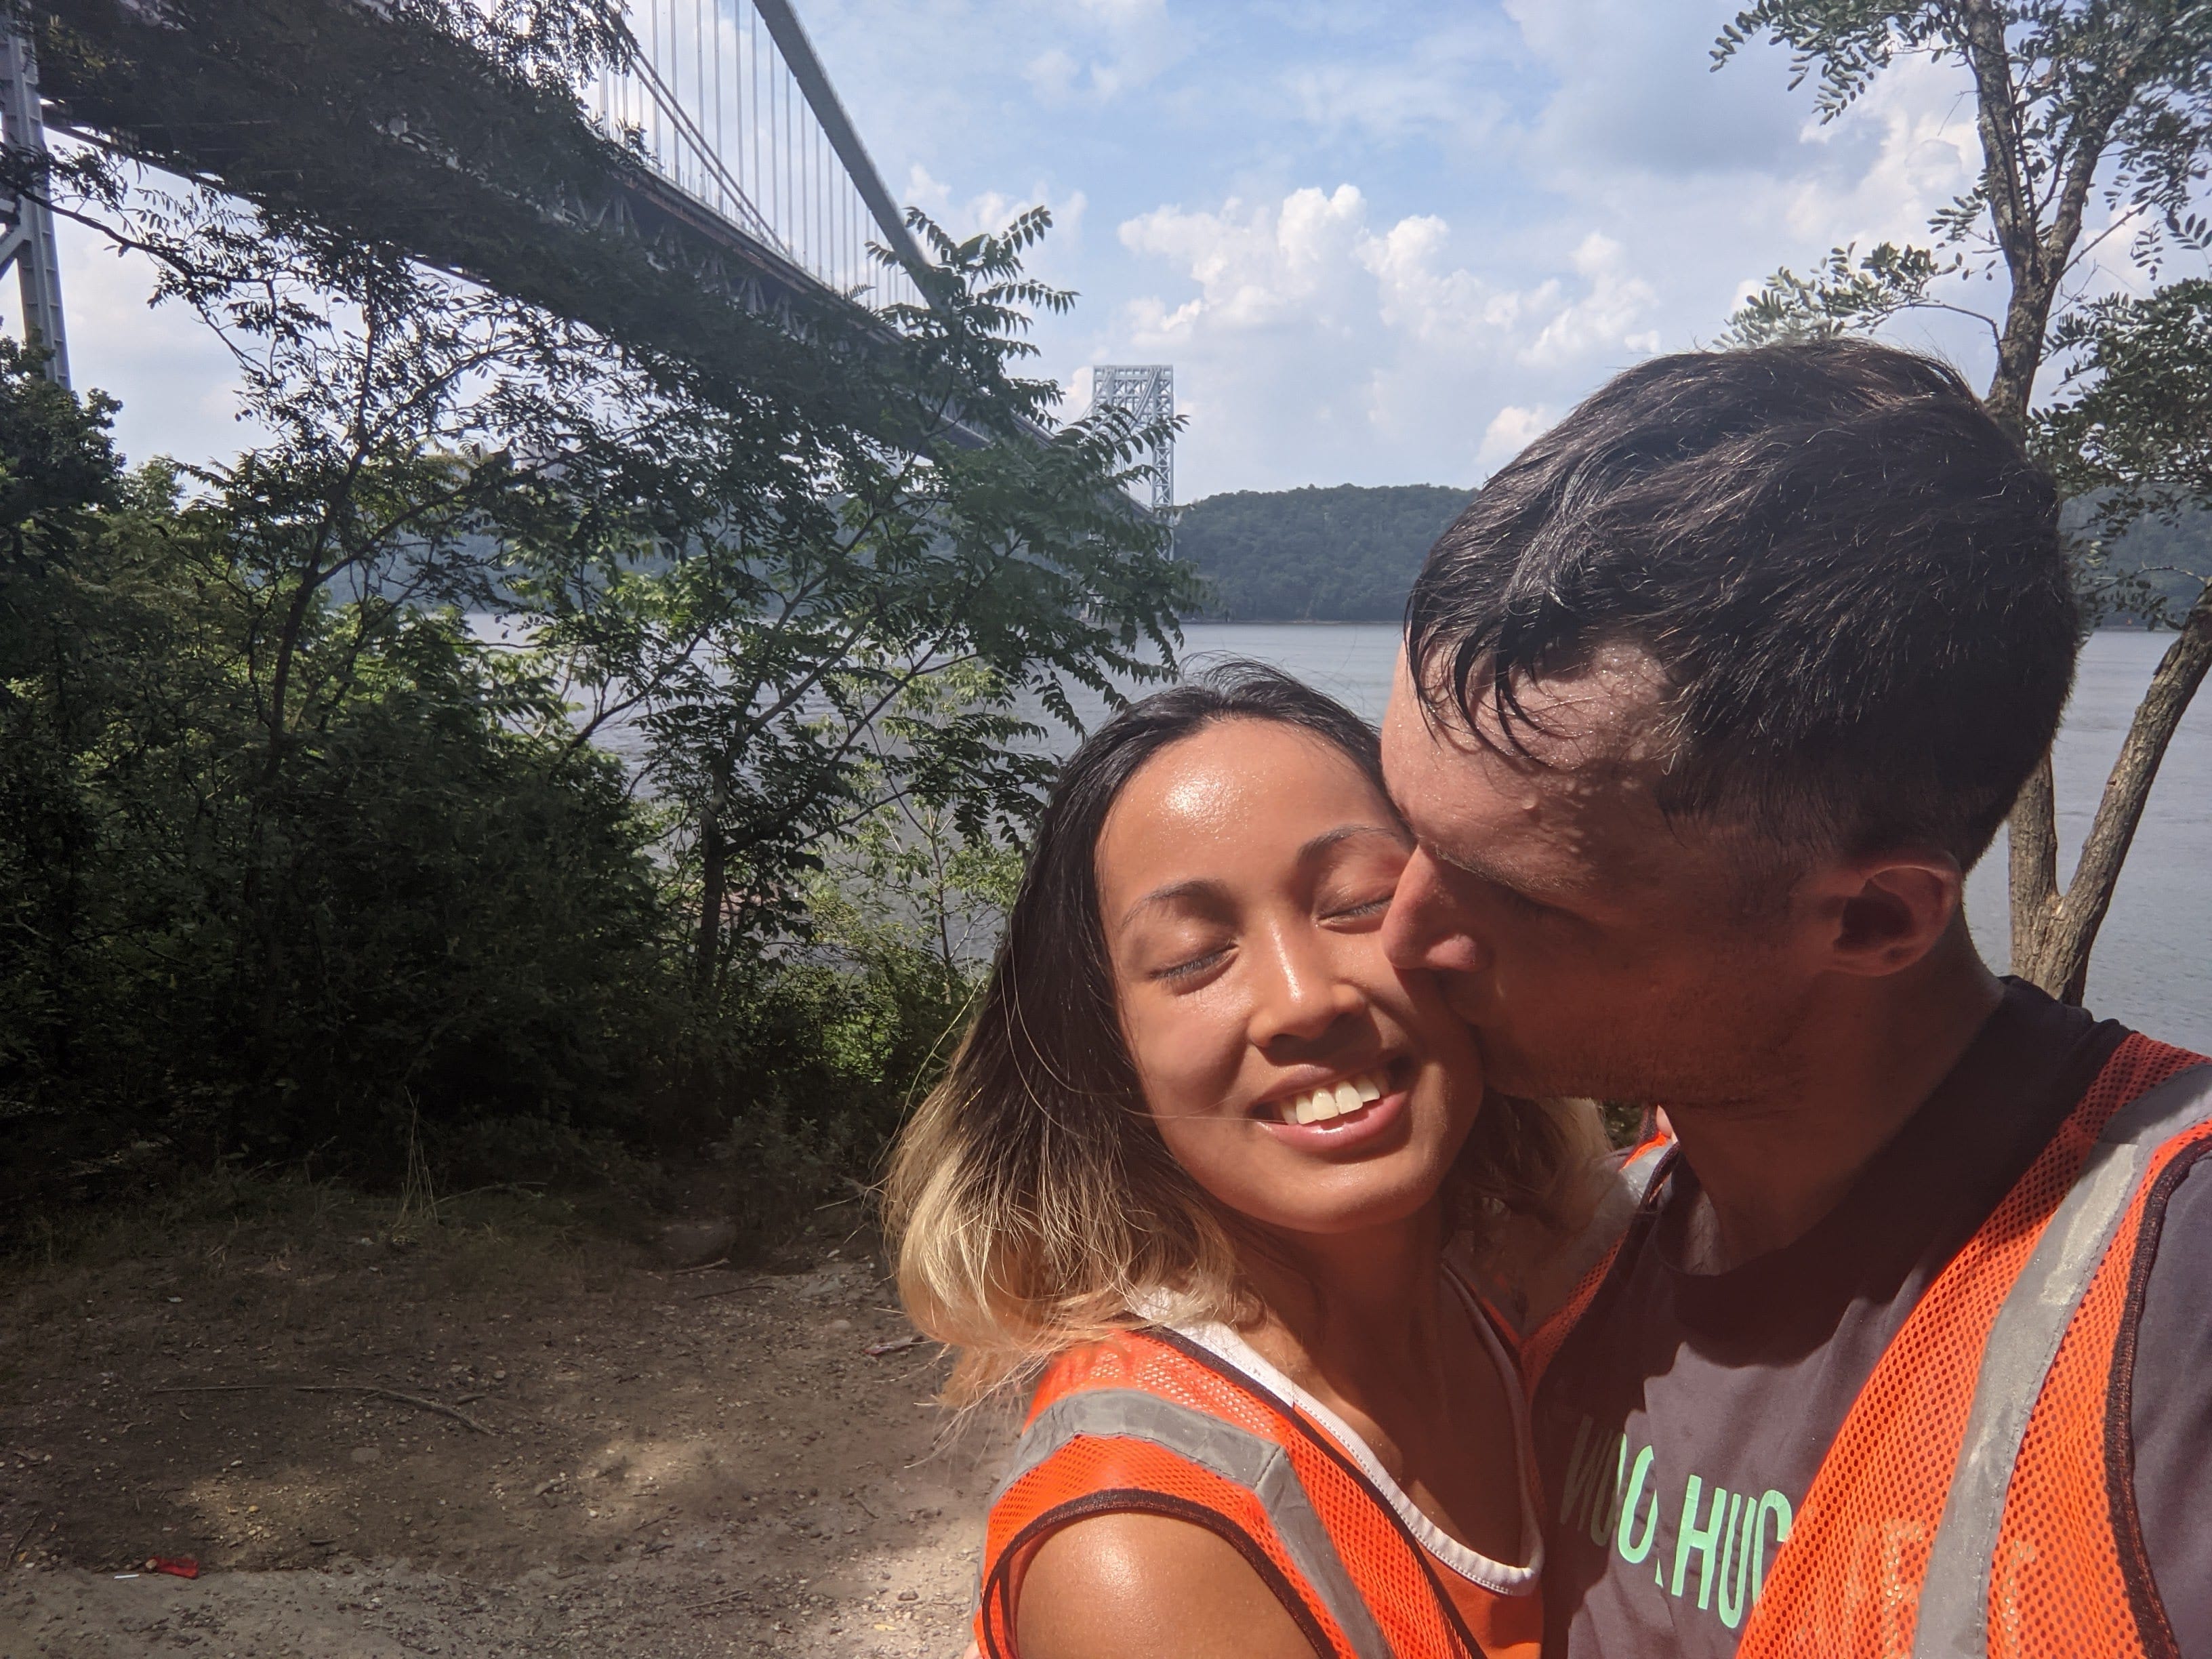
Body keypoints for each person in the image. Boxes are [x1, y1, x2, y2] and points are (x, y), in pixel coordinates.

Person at [1377, 338, 2212, 1658]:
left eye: (1520, 896)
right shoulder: (1599, 1244)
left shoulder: (2166, 1314)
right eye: (1402, 831)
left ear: (1876, 918)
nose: (1399, 935)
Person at [886, 665, 1607, 1659]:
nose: (1305, 999)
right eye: (1192, 958)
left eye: (1358, 901)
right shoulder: (1146, 1552)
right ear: (1112, 1059)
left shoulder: (1528, 1307)